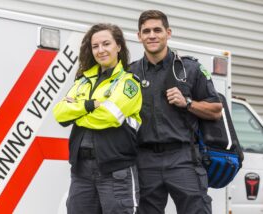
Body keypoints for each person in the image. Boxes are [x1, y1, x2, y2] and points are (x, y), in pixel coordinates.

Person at [129, 10, 223, 214]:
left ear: (168, 33)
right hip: (145, 160)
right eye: (146, 31)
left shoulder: (190, 69)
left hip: (183, 158)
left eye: (157, 30)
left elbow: (216, 109)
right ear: (139, 36)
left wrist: (187, 102)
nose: (151, 35)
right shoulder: (130, 74)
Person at [53, 23, 142, 214]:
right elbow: (59, 113)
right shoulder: (82, 81)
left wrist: (75, 112)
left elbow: (108, 116)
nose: (100, 50)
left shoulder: (129, 83)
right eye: (95, 46)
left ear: (118, 46)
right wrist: (90, 105)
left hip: (115, 171)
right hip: (81, 170)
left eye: (106, 44)